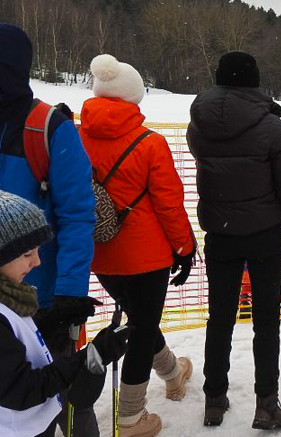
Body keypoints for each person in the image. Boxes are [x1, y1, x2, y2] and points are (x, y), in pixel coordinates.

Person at [187, 51, 281, 429]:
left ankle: (214, 398)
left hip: (220, 232)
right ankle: (267, 403)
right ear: (254, 82)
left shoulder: (199, 123)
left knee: (220, 317)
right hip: (263, 235)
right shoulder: (272, 127)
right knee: (265, 322)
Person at [78, 54, 196, 437]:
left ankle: (174, 373)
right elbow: (168, 202)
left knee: (141, 318)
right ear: (135, 97)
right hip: (147, 255)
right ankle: (130, 418)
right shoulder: (149, 142)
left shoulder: (75, 137)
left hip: (98, 250)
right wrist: (184, 247)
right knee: (142, 328)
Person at [0, 23, 100, 436]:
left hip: (41, 295)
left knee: (66, 393)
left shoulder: (49, 127)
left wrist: (71, 291)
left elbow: (78, 214)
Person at [0, 190, 129, 437]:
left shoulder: (11, 295)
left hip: (34, 423)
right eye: (27, 254)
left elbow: (15, 344)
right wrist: (87, 359)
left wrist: (57, 319)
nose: (37, 262)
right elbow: (22, 389)